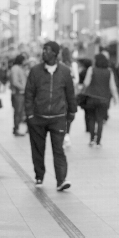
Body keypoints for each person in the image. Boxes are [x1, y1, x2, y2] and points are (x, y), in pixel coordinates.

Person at [25, 41, 77, 191]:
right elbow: (29, 93)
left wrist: (72, 112)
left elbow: (70, 93)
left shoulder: (65, 72)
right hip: (38, 118)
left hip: (58, 117)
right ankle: (39, 176)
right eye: (43, 50)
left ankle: (61, 180)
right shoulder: (35, 71)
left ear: (55, 53)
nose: (43, 53)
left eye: (47, 50)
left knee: (58, 150)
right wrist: (29, 115)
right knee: (38, 149)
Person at [82, 53, 119, 147]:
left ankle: (91, 139)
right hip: (104, 99)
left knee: (91, 119)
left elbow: (86, 83)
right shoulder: (109, 71)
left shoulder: (91, 69)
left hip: (92, 97)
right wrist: (116, 98)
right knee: (100, 120)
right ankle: (98, 141)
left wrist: (82, 91)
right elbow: (112, 86)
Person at [61, 47, 79, 147]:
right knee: (69, 113)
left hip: (61, 92)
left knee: (63, 112)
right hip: (71, 92)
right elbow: (77, 79)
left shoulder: (59, 64)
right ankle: (66, 134)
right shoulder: (73, 65)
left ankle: (64, 134)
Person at [10, 54, 27, 136]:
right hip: (18, 93)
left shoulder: (19, 68)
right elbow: (15, 81)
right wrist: (23, 88)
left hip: (20, 93)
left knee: (20, 112)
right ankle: (16, 129)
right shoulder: (15, 69)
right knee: (18, 111)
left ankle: (17, 128)